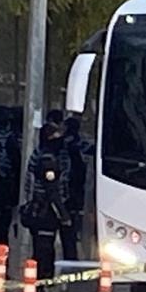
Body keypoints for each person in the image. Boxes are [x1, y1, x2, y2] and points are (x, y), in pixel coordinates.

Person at [19, 121, 73, 292]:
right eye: (56, 136)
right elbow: (52, 191)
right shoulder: (47, 159)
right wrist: (63, 215)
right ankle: (38, 289)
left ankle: (38, 288)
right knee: (43, 253)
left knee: (42, 251)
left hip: (40, 210)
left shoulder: (41, 154)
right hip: (44, 213)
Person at [0, 106, 22, 251]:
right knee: (1, 230)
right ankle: (1, 265)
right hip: (4, 188)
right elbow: (17, 164)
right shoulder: (10, 139)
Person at [59, 112, 90, 261]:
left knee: (67, 231)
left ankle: (70, 258)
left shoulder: (64, 145)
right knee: (71, 230)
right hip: (77, 192)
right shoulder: (82, 145)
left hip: (68, 192)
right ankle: (72, 259)